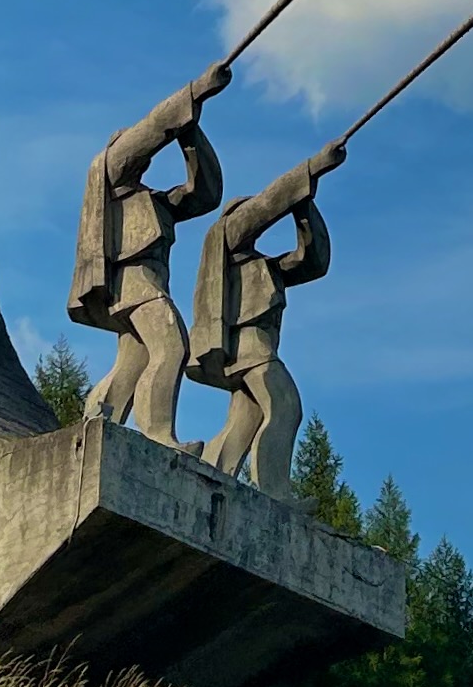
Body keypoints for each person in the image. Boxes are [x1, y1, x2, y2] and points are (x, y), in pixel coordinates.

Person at [68, 65, 230, 443]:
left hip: (151, 282)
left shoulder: (155, 203)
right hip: (133, 282)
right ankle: (158, 434)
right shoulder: (112, 178)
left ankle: (96, 419)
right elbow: (152, 130)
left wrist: (189, 133)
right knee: (171, 345)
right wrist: (193, 95)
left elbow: (205, 194)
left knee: (135, 359)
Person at [187, 142, 345, 499]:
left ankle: (212, 469)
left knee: (247, 419)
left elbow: (313, 260)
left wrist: (302, 207)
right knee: (285, 406)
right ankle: (275, 491)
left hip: (258, 347)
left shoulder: (265, 269)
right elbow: (264, 208)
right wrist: (310, 171)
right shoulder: (229, 240)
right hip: (249, 346)